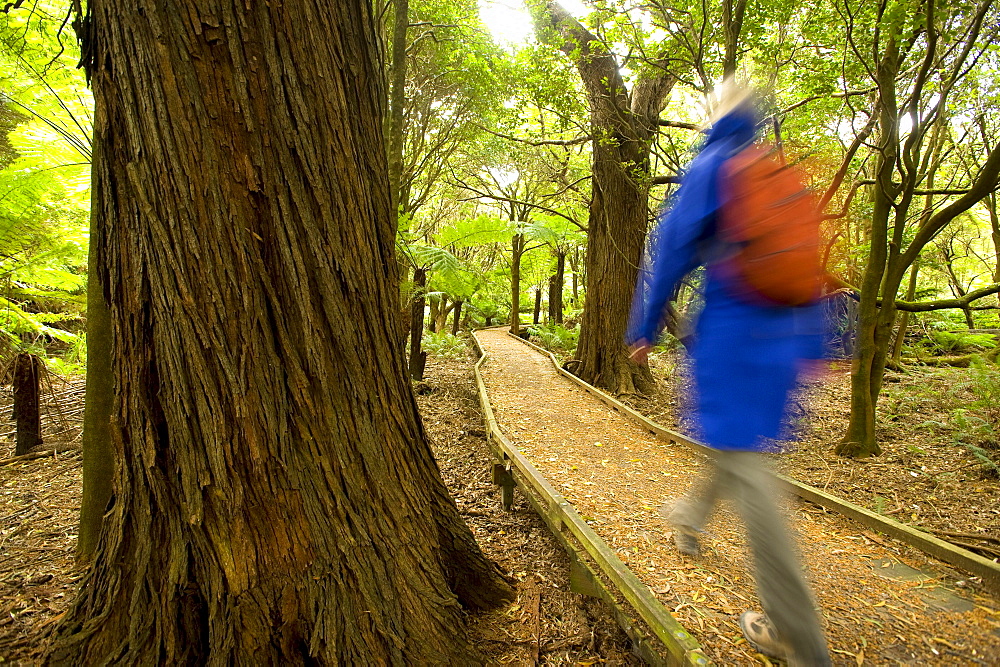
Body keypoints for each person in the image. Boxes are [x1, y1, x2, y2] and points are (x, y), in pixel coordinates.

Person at [626, 86, 831, 666]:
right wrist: (813, 345)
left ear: (716, 119)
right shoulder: (774, 170)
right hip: (785, 339)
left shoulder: (713, 165)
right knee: (734, 445)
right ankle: (690, 518)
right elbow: (811, 264)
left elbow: (671, 248)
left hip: (736, 336)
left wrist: (647, 322)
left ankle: (800, 638)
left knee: (746, 463)